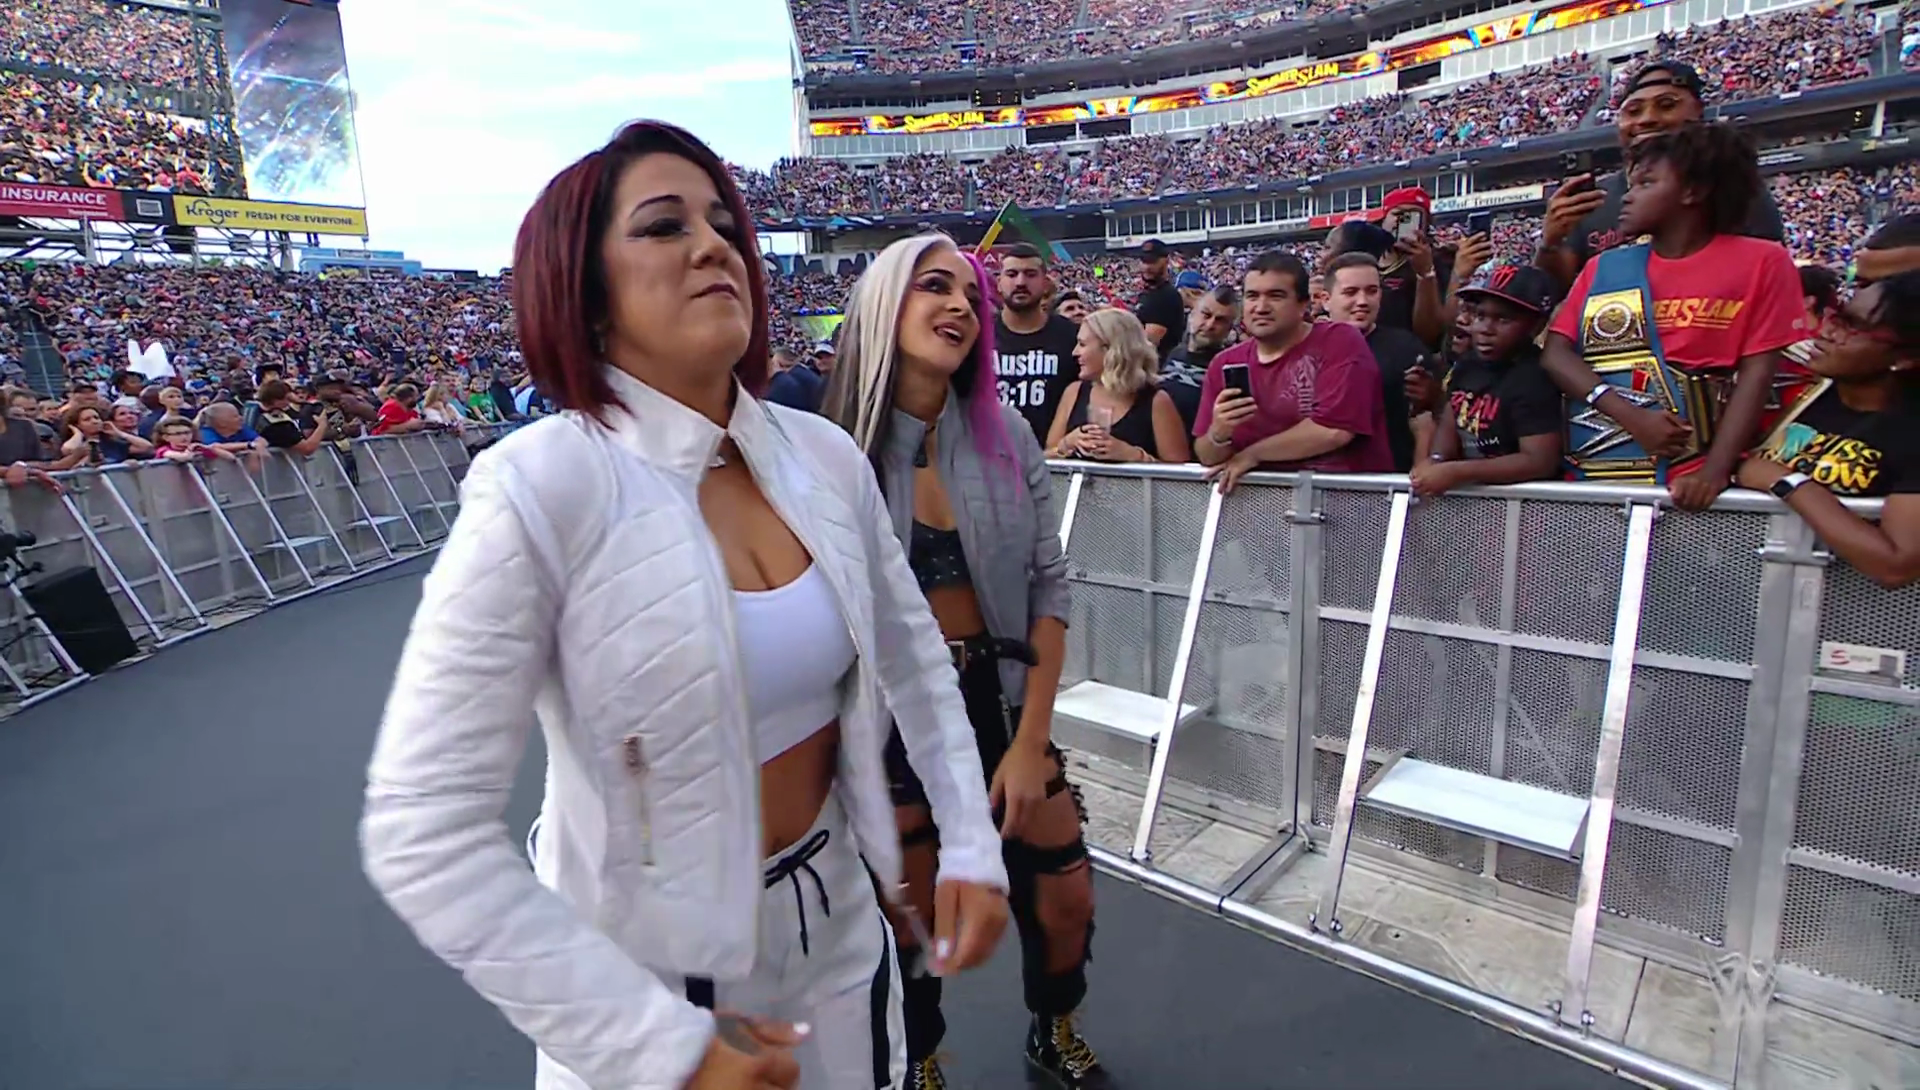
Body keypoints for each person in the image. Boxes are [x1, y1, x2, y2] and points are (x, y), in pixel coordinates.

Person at [360, 122, 1009, 1090]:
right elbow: (422, 826)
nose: (715, 247)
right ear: (584, 293)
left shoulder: (824, 457)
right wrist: (662, 1049)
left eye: (724, 225)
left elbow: (913, 657)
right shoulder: (539, 483)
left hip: (838, 929)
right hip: (646, 973)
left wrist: (969, 842)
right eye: (664, 227)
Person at [821, 233, 1106, 1090]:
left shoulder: (1005, 433)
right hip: (890, 724)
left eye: (969, 296)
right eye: (933, 287)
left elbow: (1049, 585)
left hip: (1001, 704)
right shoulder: (827, 448)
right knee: (911, 920)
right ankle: (919, 1061)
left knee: (1064, 897)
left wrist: (1031, 742)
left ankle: (1053, 1027)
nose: (959, 306)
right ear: (882, 304)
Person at [1542, 121, 1806, 510]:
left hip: (1693, 475)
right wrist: (1630, 416)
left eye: (1646, 184)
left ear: (1692, 191)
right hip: (1594, 474)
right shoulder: (1603, 266)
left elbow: (1758, 373)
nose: (1627, 197)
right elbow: (1555, 354)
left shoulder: (1764, 261)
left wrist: (1714, 471)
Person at [1735, 269, 1920, 588]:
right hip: (1750, 591)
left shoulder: (1911, 432)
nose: (1827, 331)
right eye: (1836, 317)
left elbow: (1897, 566)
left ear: (1904, 359)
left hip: (1850, 610)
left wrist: (1788, 482)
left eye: (1852, 327)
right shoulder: (1799, 393)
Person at [1536, 60, 1786, 289]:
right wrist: (1550, 243)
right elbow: (1559, 291)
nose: (1647, 119)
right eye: (1633, 111)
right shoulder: (1593, 200)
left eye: (1666, 105)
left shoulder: (1731, 187)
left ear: (1698, 112)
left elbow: (1766, 281)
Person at [1195, 250, 1395, 493]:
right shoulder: (1223, 363)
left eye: (1276, 296)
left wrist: (1252, 455)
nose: (1261, 307)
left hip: (1347, 503)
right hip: (1258, 507)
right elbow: (1207, 457)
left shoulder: (1340, 340)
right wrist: (1218, 433)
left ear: (1303, 305)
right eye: (1252, 296)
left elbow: (1334, 431)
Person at [1408, 265, 1567, 497]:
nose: (1485, 329)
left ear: (1536, 325)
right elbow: (1451, 422)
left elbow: (1539, 461)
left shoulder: (1535, 376)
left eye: (1503, 319)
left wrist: (1456, 472)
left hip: (1527, 503)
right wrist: (1436, 460)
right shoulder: (1467, 365)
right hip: (1479, 501)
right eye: (1480, 316)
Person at [1320, 252, 1435, 473]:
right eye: (1350, 292)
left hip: (1388, 478)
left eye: (1371, 291)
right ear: (1326, 299)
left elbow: (1425, 420)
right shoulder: (1308, 348)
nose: (1362, 301)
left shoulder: (1406, 348)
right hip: (1318, 476)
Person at [1045, 307, 1191, 464]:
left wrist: (1135, 456)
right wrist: (1066, 444)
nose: (1075, 352)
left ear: (1110, 350)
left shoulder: (1156, 401)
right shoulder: (1073, 392)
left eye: (1082, 344)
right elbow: (1044, 458)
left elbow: (1180, 472)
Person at [993, 243, 1080, 443]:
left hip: (1053, 457)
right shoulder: (978, 334)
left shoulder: (1071, 335)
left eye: (1030, 274)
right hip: (987, 456)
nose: (1020, 282)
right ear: (999, 283)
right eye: (1012, 274)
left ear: (1045, 283)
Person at [1134, 238, 1186, 364]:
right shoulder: (1148, 294)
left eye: (1152, 262)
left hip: (1157, 368)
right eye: (1144, 261)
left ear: (1166, 261)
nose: (1147, 267)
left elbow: (1148, 344)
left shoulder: (1165, 296)